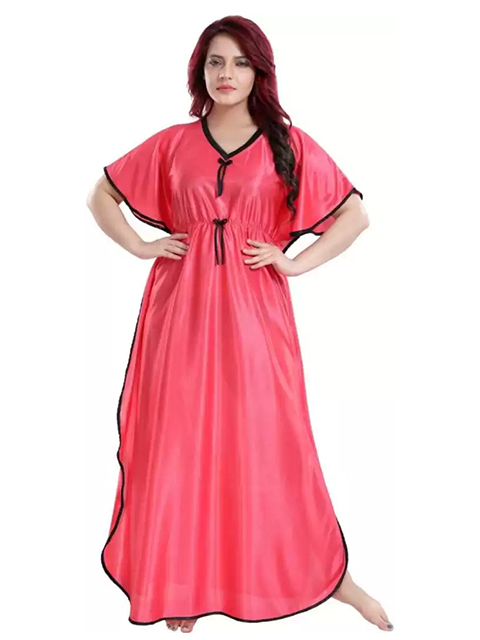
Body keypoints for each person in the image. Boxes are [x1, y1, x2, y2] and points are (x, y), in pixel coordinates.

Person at [86, 15, 393, 634]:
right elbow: (101, 196)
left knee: (269, 445)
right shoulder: (173, 143)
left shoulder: (288, 142)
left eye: (240, 63)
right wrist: (142, 246)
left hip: (256, 319)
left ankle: (332, 579)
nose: (227, 74)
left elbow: (354, 216)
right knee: (179, 444)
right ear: (200, 70)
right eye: (216, 62)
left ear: (260, 72)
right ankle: (180, 582)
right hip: (179, 317)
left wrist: (294, 262)